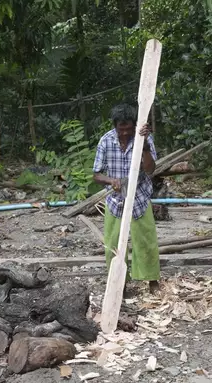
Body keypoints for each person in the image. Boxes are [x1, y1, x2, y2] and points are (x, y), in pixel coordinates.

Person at [92, 103, 160, 294]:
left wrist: (145, 146)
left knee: (145, 240)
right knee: (112, 243)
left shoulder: (143, 140)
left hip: (139, 197)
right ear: (115, 126)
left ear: (134, 126)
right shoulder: (106, 141)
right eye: (121, 130)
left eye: (129, 130)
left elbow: (150, 170)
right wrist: (110, 180)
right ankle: (117, 282)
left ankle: (151, 279)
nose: (124, 134)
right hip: (116, 199)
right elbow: (96, 174)